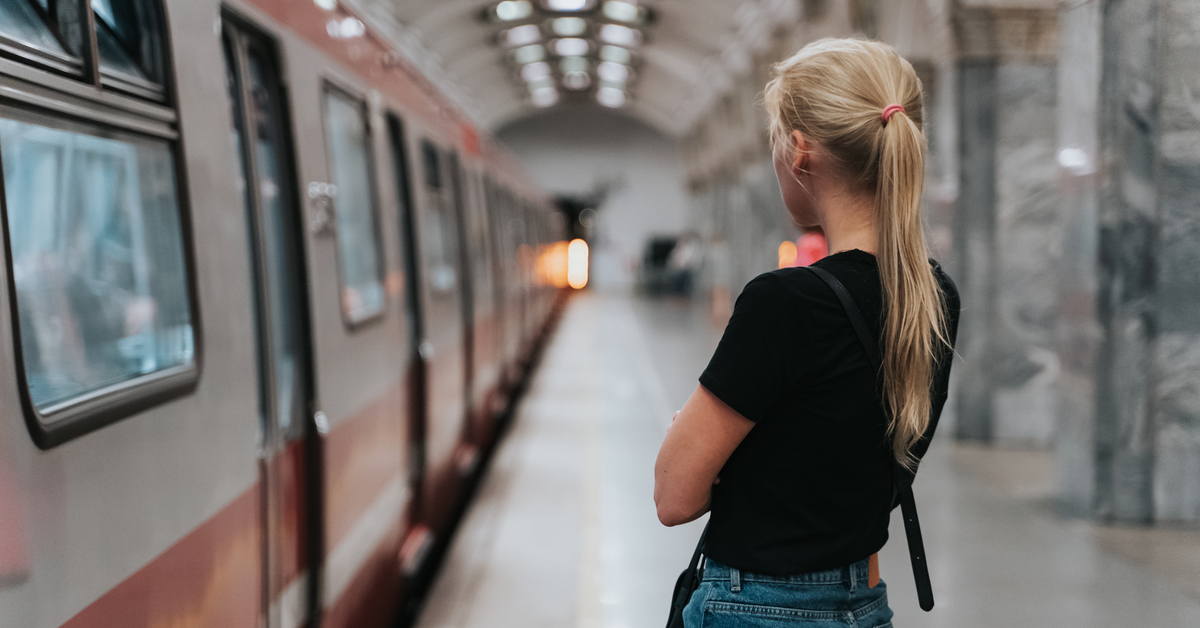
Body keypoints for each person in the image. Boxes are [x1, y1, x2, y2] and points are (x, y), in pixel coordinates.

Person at [653, 38, 961, 627]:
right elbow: (870, 474)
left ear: (799, 152)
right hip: (864, 605)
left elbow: (675, 495)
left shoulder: (785, 301)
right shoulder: (934, 298)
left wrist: (724, 459)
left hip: (755, 609)